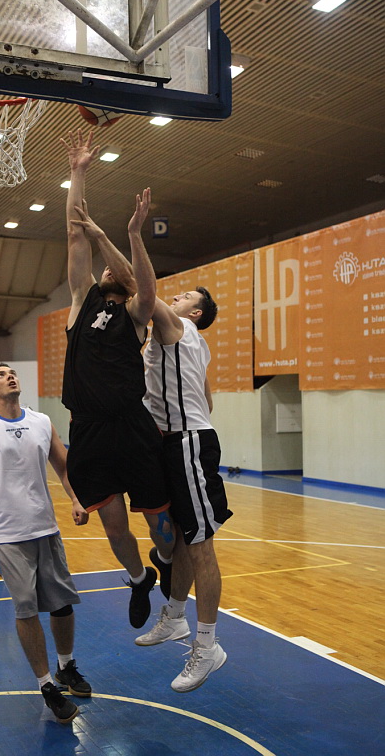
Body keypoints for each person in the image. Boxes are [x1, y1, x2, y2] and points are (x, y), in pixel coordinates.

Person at [60, 129, 174, 630]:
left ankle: (165, 560)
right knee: (112, 526)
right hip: (88, 429)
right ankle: (138, 578)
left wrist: (118, 235)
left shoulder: (134, 313)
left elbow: (144, 286)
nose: (105, 271)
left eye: (113, 269)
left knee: (158, 521)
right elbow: (73, 233)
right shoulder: (81, 302)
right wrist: (78, 172)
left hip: (131, 426)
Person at [0, 363, 90, 725]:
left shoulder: (41, 421)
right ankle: (46, 685)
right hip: (4, 533)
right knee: (26, 605)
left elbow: (64, 466)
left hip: (45, 527)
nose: (9, 376)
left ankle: (66, 666)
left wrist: (76, 498)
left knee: (61, 604)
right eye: (0, 374)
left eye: (11, 372)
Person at [135, 288, 233, 693]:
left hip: (188, 442)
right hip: (175, 441)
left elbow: (142, 289)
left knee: (201, 547)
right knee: (181, 541)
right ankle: (175, 617)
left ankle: (208, 647)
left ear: (195, 313)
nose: (177, 295)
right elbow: (206, 397)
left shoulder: (179, 326)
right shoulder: (194, 345)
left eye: (187, 295)